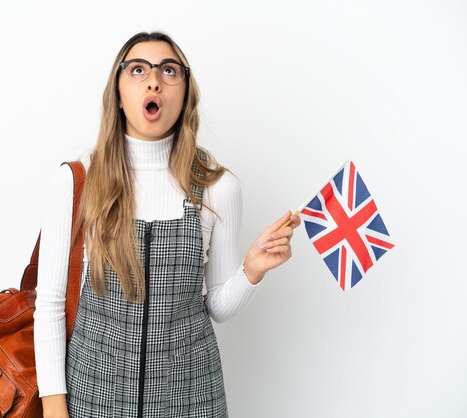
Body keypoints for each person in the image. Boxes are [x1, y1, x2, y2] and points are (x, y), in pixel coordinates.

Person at [33, 31, 301, 418]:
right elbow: (50, 305)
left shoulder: (219, 189)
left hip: (192, 399)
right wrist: (55, 410)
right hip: (92, 399)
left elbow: (217, 306)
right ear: (119, 93)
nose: (154, 79)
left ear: (186, 93)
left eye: (169, 70)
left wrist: (252, 270)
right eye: (138, 69)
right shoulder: (78, 183)